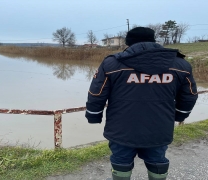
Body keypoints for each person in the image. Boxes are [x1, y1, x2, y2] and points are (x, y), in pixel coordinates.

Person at [85, 27, 198, 180]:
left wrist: (93, 116)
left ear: (128, 42)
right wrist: (179, 115)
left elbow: (96, 94)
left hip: (121, 129)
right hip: (159, 127)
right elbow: (189, 95)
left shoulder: (112, 64)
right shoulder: (180, 65)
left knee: (121, 162)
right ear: (153, 40)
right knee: (157, 161)